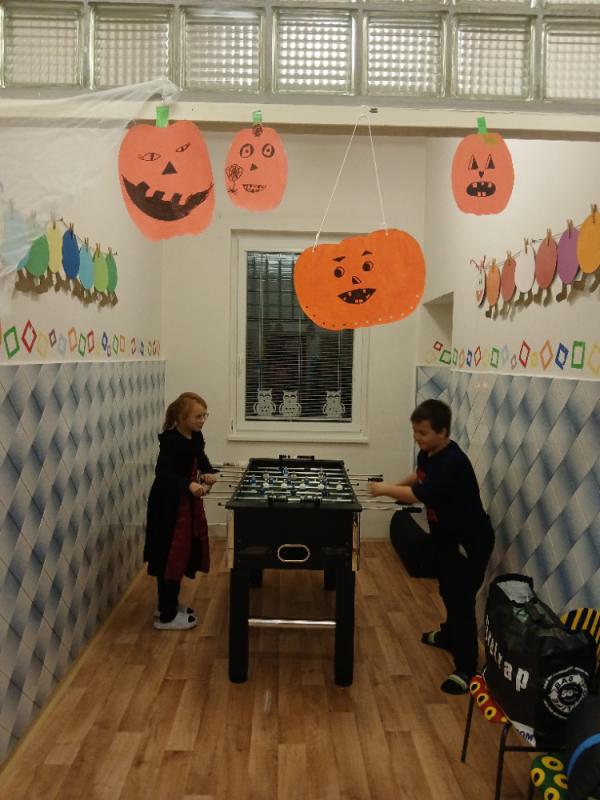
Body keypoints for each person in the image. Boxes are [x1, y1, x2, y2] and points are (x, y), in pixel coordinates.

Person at [369, 398, 494, 695]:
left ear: (442, 432)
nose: (417, 437)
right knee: (447, 590)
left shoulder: (452, 463)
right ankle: (450, 636)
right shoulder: (429, 453)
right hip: (447, 539)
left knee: (461, 601)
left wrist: (386, 490)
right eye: (415, 431)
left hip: (468, 544)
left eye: (423, 433)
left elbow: (419, 494)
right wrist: (396, 486)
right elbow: (418, 477)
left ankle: (466, 669)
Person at [144, 392, 218, 630]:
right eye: (198, 416)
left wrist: (208, 473)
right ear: (182, 417)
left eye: (204, 415)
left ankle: (168, 605)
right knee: (169, 556)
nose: (202, 420)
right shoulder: (171, 441)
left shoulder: (195, 435)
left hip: (184, 504)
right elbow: (164, 473)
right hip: (167, 507)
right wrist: (189, 484)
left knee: (180, 555)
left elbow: (200, 457)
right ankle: (166, 616)